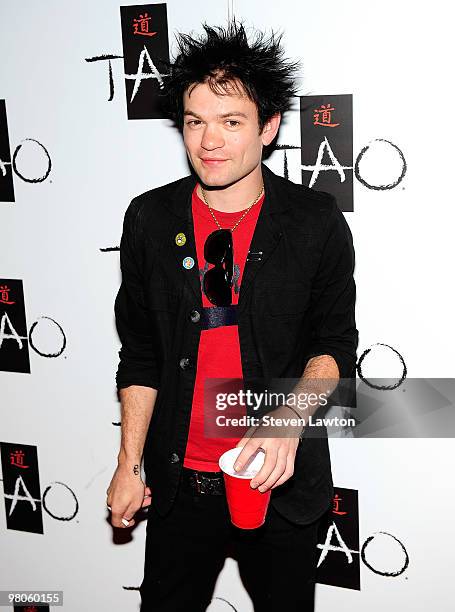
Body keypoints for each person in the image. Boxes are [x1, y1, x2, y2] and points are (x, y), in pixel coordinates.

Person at [106, 19, 358, 612]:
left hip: (277, 485)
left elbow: (334, 348)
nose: (209, 141)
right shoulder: (149, 218)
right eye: (195, 122)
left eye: (231, 121)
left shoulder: (315, 222)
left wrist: (288, 419)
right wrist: (128, 464)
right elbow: (140, 355)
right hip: (179, 489)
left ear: (268, 128)